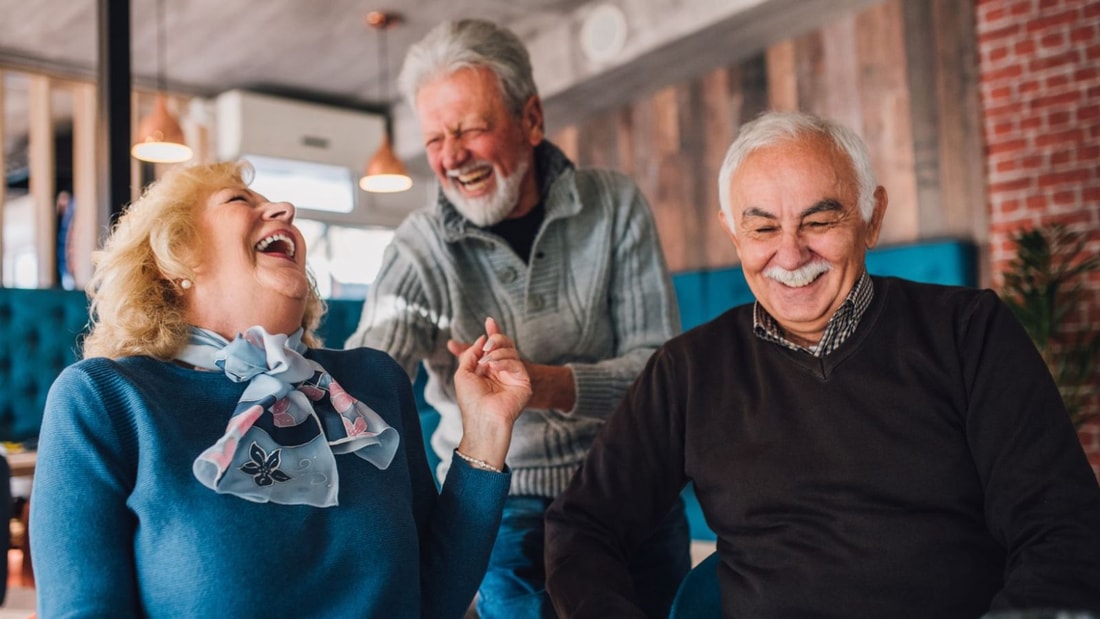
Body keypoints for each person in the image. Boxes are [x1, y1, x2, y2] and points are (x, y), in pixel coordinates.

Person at [544, 110, 1100, 617]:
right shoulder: (687, 372)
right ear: (734, 234)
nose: (790, 255)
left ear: (871, 217)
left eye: (819, 221)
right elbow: (583, 526)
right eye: (762, 228)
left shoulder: (967, 332)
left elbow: (1061, 525)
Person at [29, 161, 532, 618]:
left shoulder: (373, 382)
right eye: (237, 200)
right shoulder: (103, 399)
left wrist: (486, 432)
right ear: (174, 258)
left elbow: (432, 599)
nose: (284, 209)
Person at [345, 18, 690, 619]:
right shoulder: (420, 249)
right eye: (434, 139)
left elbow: (661, 374)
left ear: (531, 120)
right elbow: (370, 374)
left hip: (629, 481)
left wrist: (544, 386)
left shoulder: (613, 206)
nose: (451, 157)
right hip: (506, 502)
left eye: (471, 129)